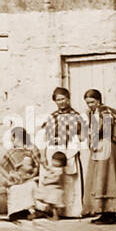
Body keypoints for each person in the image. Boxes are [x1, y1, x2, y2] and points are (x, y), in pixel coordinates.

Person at [37, 87, 87, 219]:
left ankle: (70, 211)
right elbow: (44, 136)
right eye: (58, 100)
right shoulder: (52, 117)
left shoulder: (77, 116)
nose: (61, 102)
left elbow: (82, 136)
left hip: (69, 152)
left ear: (68, 99)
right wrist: (42, 154)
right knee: (51, 179)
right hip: (52, 151)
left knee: (69, 180)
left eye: (63, 99)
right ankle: (49, 210)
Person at [82, 89, 116, 224]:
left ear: (98, 100)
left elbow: (105, 129)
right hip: (99, 148)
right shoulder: (93, 113)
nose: (90, 105)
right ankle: (103, 212)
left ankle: (112, 213)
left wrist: (93, 136)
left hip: (108, 148)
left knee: (108, 178)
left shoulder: (105, 112)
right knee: (99, 179)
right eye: (88, 103)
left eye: (92, 102)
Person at [0, 127, 41, 220]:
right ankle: (16, 212)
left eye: (13, 138)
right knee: (14, 189)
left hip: (30, 178)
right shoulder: (11, 151)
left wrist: (32, 175)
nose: (12, 140)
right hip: (17, 179)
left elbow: (38, 165)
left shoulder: (32, 149)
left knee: (31, 186)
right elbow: (0, 166)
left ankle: (31, 211)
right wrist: (8, 177)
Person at [35, 151, 68, 220]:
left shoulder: (59, 170)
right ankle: (49, 213)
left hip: (54, 189)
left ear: (61, 163)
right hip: (50, 189)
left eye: (56, 161)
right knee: (49, 203)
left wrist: (46, 182)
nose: (53, 162)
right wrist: (43, 164)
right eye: (53, 160)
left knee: (53, 205)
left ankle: (55, 216)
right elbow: (48, 168)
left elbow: (56, 179)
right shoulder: (54, 167)